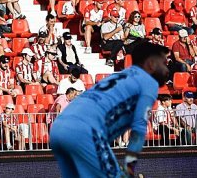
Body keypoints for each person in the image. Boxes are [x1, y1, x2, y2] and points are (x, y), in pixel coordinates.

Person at [49, 41, 171, 178]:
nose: (167, 68)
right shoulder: (148, 83)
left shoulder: (119, 75)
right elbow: (138, 132)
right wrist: (129, 169)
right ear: (151, 64)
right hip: (86, 131)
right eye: (163, 63)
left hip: (60, 128)